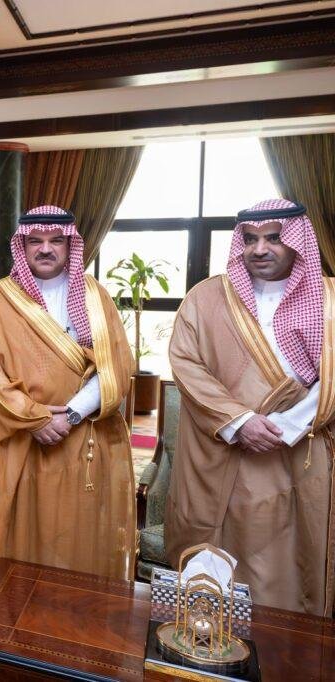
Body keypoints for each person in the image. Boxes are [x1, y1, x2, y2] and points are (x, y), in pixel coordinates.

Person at [166, 198, 334, 615]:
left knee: (287, 564)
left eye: (274, 238)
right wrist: (239, 421)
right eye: (251, 239)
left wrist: (286, 426)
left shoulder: (329, 299)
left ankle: (285, 647)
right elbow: (185, 362)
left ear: (297, 241)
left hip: (299, 450)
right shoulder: (206, 297)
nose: (260, 249)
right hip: (222, 451)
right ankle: (205, 642)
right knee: (217, 557)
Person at [0, 205, 136, 596]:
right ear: (22, 246)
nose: (45, 249)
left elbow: (116, 365)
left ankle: (71, 616)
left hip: (81, 440)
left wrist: (69, 414)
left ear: (70, 245)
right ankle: (13, 614)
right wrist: (34, 418)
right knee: (22, 534)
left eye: (56, 240)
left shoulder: (95, 296)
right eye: (35, 241)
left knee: (75, 534)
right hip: (21, 441)